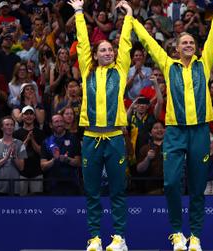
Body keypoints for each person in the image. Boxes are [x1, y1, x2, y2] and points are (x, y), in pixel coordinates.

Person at [131, 1, 213, 250]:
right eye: (184, 42)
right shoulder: (168, 64)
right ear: (176, 46)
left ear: (195, 48)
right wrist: (132, 19)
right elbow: (150, 44)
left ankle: (194, 235)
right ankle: (176, 232)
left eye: (191, 43)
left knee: (197, 186)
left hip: (199, 132)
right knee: (171, 182)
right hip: (174, 131)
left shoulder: (203, 65)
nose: (188, 45)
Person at [68, 0, 133, 250]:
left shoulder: (121, 70)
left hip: (115, 138)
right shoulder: (87, 70)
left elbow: (125, 42)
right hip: (91, 138)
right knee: (92, 192)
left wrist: (128, 16)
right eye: (103, 50)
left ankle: (119, 238)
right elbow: (83, 41)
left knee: (117, 191)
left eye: (110, 50)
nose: (108, 53)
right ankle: (94, 237)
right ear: (95, 55)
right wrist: (78, 12)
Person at [0, 116, 26, 195]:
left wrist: (14, 156)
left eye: (12, 125)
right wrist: (5, 158)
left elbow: (21, 167)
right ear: (2, 127)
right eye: (7, 124)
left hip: (14, 187)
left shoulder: (20, 144)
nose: (10, 127)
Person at [13, 106, 46, 196]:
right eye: (26, 114)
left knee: (37, 201)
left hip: (37, 172)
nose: (29, 116)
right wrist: (27, 140)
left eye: (31, 114)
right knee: (20, 202)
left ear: (34, 117)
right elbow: (16, 153)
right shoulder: (16, 133)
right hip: (21, 173)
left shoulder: (40, 133)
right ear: (22, 117)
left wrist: (32, 140)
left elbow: (41, 152)